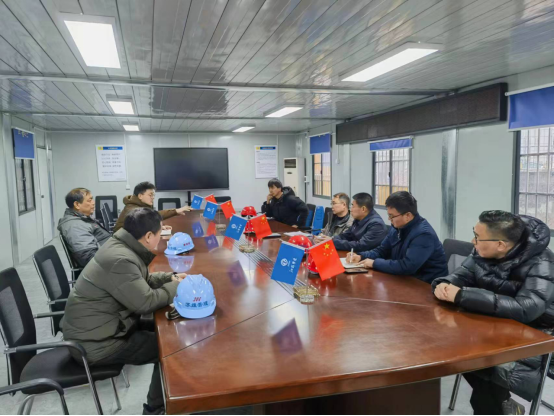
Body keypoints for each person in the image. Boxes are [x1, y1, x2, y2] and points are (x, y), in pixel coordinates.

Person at [61, 208, 186, 415]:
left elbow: (140, 282)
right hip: (97, 344)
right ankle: (155, 409)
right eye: (160, 231)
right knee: (171, 348)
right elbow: (145, 302)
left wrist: (169, 277)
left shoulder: (123, 247)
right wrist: (176, 287)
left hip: (108, 327)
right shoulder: (120, 259)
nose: (162, 236)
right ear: (148, 236)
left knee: (170, 329)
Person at [432, 210, 554, 415]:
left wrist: (463, 295)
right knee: (454, 349)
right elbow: (460, 276)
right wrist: (444, 284)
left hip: (537, 331)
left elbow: (527, 308)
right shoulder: (481, 251)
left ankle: (501, 406)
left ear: (500, 245)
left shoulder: (542, 262)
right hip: (495, 319)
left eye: (477, 237)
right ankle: (505, 404)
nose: (473, 241)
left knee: (482, 363)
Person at [347, 191, 447, 283]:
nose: (389, 219)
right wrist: (360, 256)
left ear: (407, 216)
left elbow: (407, 266)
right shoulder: (397, 227)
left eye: (392, 216)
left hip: (426, 285)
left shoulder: (423, 235)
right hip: (404, 279)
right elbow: (381, 251)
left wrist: (374, 263)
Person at [58, 188, 111, 268]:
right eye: (89, 200)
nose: (93, 203)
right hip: (106, 268)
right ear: (77, 205)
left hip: (110, 254)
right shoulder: (75, 226)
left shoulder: (82, 219)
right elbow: (89, 259)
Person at [317, 192, 387, 252]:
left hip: (366, 258)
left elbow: (360, 245)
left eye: (353, 206)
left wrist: (333, 242)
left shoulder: (376, 225)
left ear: (363, 209)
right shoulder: (358, 219)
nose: (351, 209)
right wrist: (330, 239)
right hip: (355, 255)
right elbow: (347, 235)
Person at [114, 181, 191, 232]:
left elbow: (145, 222)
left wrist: (157, 228)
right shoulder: (132, 208)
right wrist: (176, 211)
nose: (153, 197)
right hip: (122, 243)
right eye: (150, 195)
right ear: (140, 196)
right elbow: (150, 216)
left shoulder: (142, 204)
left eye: (153, 195)